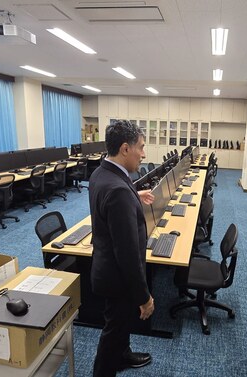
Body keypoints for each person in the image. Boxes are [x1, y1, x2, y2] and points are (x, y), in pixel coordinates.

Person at [89, 120, 155, 377]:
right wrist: (144, 297)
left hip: (104, 266)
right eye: (141, 147)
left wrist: (133, 196)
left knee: (118, 324)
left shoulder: (102, 173)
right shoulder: (118, 190)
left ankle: (123, 354)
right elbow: (127, 256)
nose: (144, 153)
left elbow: (109, 200)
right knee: (113, 332)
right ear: (125, 149)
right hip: (117, 277)